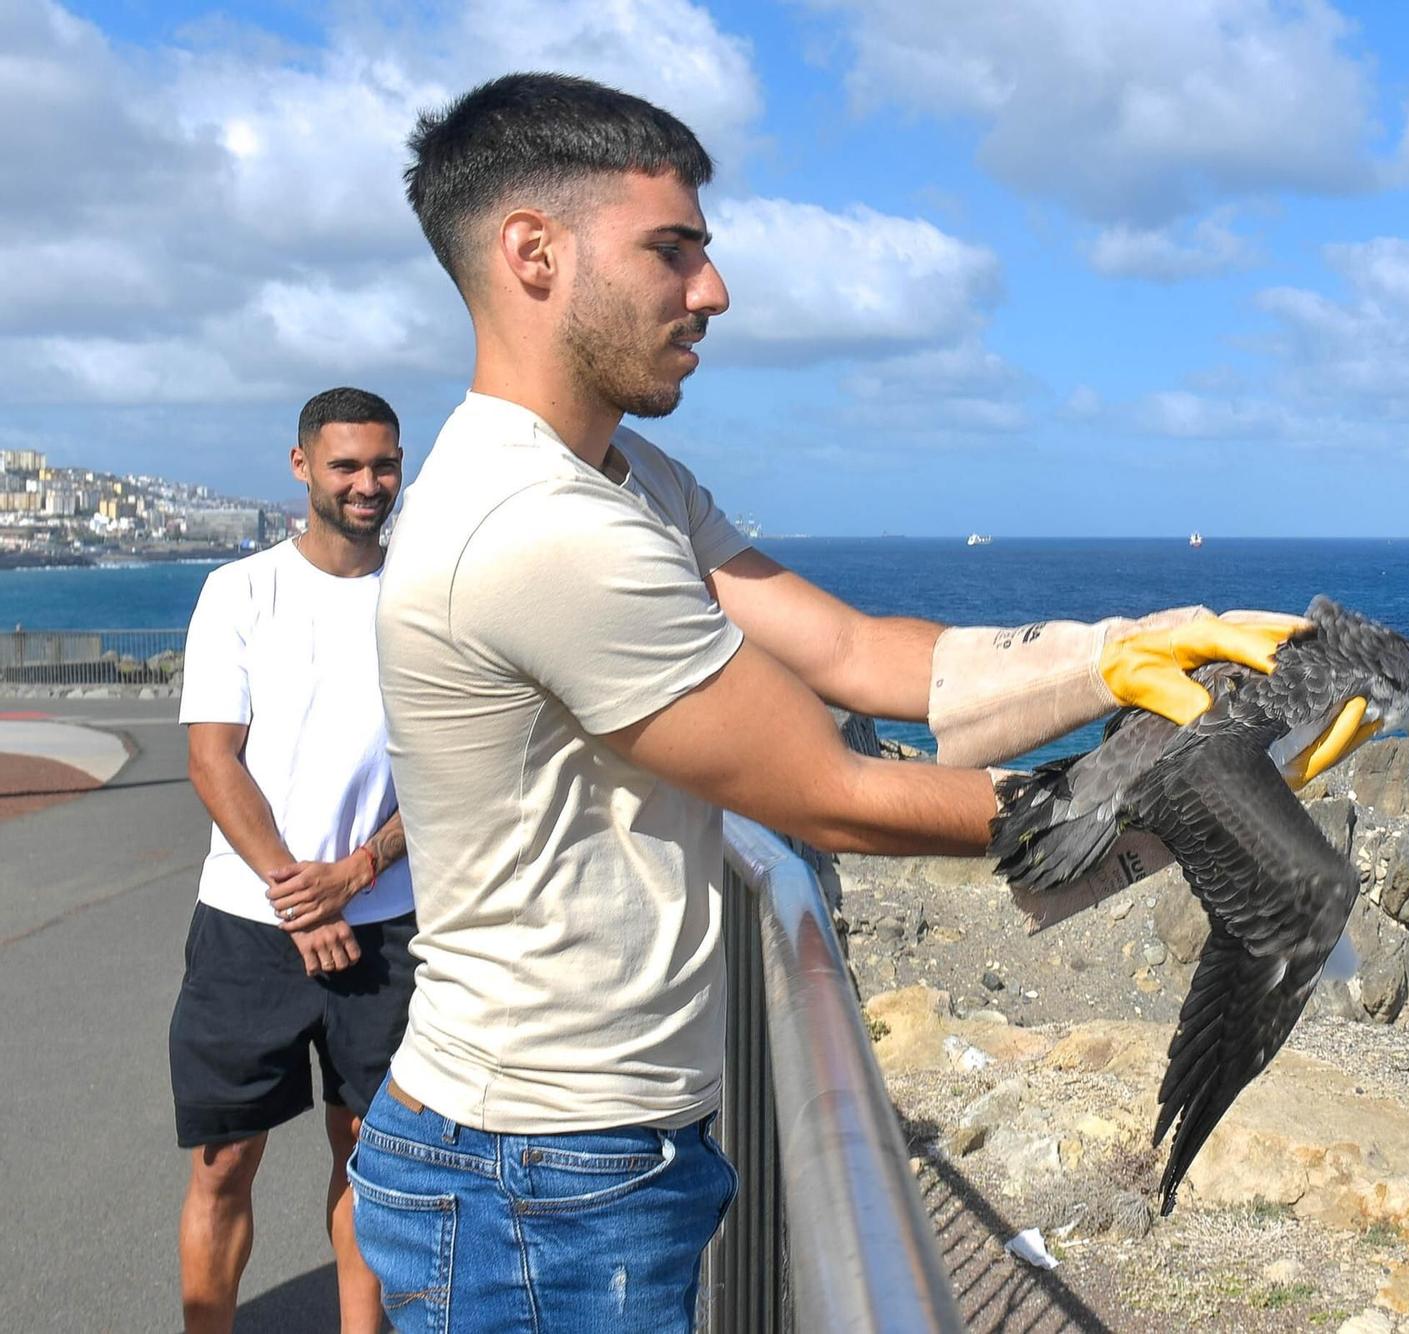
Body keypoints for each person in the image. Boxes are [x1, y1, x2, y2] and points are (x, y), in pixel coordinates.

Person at [352, 73, 1346, 1331]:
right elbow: (834, 793)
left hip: (583, 1150)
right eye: (674, 250)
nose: (712, 291)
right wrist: (1190, 799)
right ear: (533, 253)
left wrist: (1129, 646)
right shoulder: (537, 528)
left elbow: (862, 653)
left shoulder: (620, 476)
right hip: (537, 1172)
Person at [171, 387, 414, 1334]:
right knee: (223, 1163)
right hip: (248, 926)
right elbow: (210, 757)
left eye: (383, 464)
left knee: (371, 1156)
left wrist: (356, 874)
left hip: (385, 922)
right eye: (346, 464)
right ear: (302, 465)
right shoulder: (241, 590)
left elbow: (448, 770)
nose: (367, 483)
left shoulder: (424, 600)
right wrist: (304, 902)